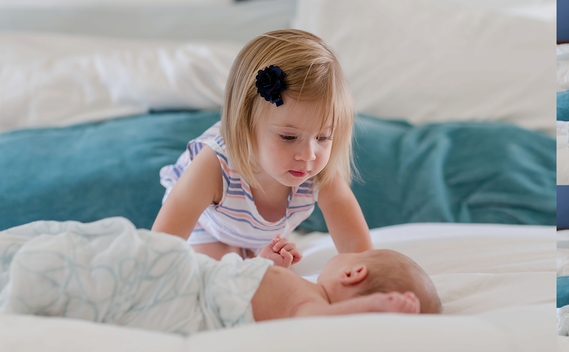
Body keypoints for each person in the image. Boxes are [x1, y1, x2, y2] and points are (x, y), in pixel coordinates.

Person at [0, 218, 441, 335]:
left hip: (183, 290)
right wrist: (270, 260)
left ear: (353, 271)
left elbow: (309, 326)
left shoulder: (316, 306)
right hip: (194, 272)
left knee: (93, 265)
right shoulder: (302, 289)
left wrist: (370, 309)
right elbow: (248, 281)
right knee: (104, 249)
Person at [152, 29, 372, 261]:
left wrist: (370, 280)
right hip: (208, 229)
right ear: (245, 125)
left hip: (256, 235)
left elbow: (356, 245)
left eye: (322, 137)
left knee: (280, 282)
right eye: (288, 137)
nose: (308, 155)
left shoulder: (319, 171)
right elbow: (162, 244)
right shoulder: (214, 166)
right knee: (221, 273)